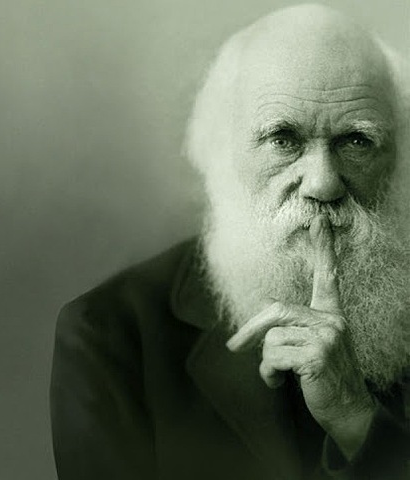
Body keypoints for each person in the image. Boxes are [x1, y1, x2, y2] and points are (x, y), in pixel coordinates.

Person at [50, 4, 410, 479]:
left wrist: (355, 420)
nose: (323, 183)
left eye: (357, 141)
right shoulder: (109, 335)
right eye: (283, 139)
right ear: (220, 152)